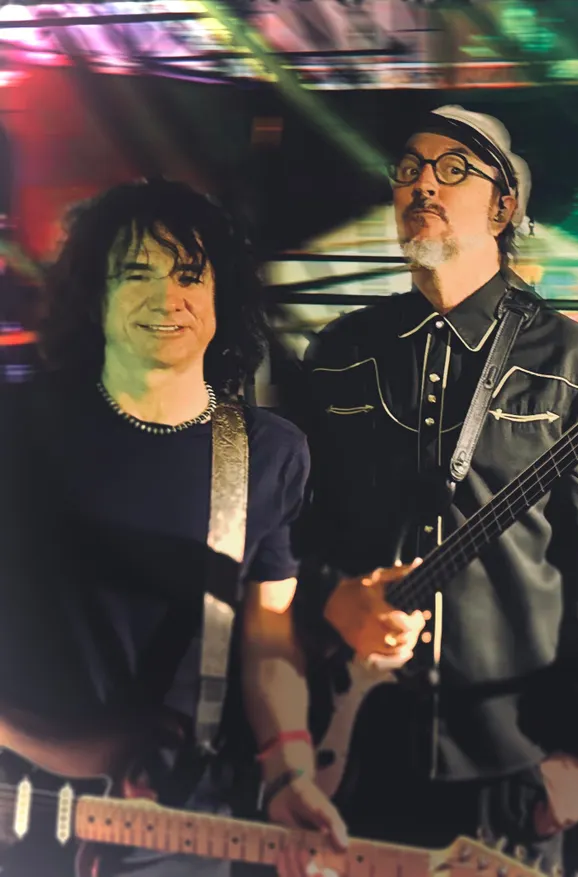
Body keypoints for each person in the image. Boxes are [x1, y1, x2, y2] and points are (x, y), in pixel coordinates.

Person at [282, 106, 578, 871]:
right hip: (352, 739)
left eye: (453, 171)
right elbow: (287, 532)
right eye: (409, 169)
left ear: (503, 207)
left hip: (513, 750)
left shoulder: (569, 359)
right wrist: (328, 597)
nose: (424, 186)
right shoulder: (341, 352)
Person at [0, 179, 342, 876]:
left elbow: (268, 636)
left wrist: (291, 771)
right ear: (94, 296)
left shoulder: (267, 453)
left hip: (183, 816)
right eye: (137, 274)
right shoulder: (19, 428)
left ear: (222, 298)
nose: (168, 298)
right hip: (18, 804)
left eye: (190, 276)